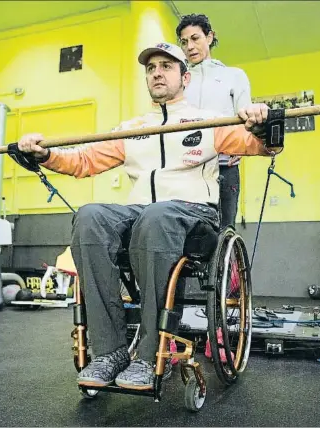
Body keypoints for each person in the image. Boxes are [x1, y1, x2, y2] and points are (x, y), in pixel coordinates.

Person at [17, 42, 275, 390]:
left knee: (158, 216)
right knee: (91, 216)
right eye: (151, 67)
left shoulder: (210, 121)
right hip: (143, 213)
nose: (156, 72)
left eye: (166, 66)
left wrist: (262, 123)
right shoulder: (133, 128)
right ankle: (110, 351)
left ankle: (151, 353)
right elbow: (82, 161)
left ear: (185, 77)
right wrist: (44, 154)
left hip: (192, 212)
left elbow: (262, 145)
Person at [176, 13, 252, 228]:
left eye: (195, 38)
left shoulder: (233, 76)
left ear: (209, 37)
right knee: (188, 235)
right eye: (184, 42)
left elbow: (245, 122)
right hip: (185, 169)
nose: (189, 46)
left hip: (224, 169)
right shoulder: (180, 83)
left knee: (224, 230)